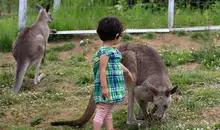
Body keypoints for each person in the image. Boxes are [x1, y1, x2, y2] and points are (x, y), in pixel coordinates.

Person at [93, 16, 134, 130]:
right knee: (101, 111)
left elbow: (116, 64)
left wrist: (127, 71)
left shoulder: (112, 51)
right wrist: (104, 87)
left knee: (108, 110)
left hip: (113, 86)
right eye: (120, 35)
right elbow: (102, 69)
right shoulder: (105, 52)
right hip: (107, 87)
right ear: (116, 36)